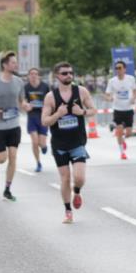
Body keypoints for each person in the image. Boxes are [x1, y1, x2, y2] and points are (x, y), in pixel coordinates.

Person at [41, 62, 97, 223]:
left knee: (79, 178)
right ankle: (68, 211)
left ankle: (77, 191)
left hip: (78, 142)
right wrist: (58, 114)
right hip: (59, 145)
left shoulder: (81, 91)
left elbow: (93, 109)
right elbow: (44, 121)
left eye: (71, 73)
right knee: (65, 178)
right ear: (57, 76)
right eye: (64, 73)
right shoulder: (51, 97)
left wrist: (82, 112)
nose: (68, 76)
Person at [0, 51, 28, 201]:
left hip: (14, 124)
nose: (16, 65)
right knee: (3, 157)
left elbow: (21, 101)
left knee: (13, 157)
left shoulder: (19, 82)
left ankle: (7, 189)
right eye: (13, 62)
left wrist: (25, 105)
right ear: (5, 65)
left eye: (16, 62)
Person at [105, 61, 136, 160]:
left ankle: (123, 140)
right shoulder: (112, 81)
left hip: (128, 109)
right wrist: (109, 98)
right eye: (116, 68)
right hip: (117, 109)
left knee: (128, 133)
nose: (118, 70)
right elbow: (107, 94)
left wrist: (133, 98)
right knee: (119, 131)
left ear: (124, 69)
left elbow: (135, 92)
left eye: (120, 68)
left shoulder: (131, 79)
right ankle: (122, 152)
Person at [24, 67, 51, 172]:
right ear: (28, 76)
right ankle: (38, 163)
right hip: (32, 117)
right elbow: (22, 101)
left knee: (41, 143)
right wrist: (26, 105)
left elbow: (50, 98)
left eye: (35, 74)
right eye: (31, 74)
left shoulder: (44, 86)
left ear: (39, 75)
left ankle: (44, 146)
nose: (33, 76)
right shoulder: (26, 87)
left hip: (43, 117)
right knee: (34, 142)